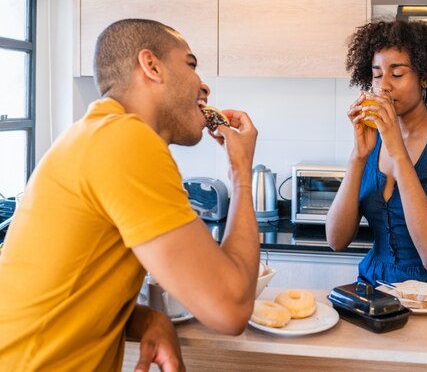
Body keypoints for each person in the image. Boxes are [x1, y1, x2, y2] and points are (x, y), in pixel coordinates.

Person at [0, 19, 260, 372]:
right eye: (191, 64)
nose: (204, 87)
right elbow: (230, 309)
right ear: (151, 66)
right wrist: (242, 173)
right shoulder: (127, 140)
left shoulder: (94, 133)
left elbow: (69, 295)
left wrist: (148, 320)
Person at [326, 19, 427, 286]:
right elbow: (336, 240)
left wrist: (398, 152)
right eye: (377, 75)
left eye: (397, 74)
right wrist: (358, 157)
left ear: (424, 78)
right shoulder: (372, 141)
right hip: (375, 290)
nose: (384, 85)